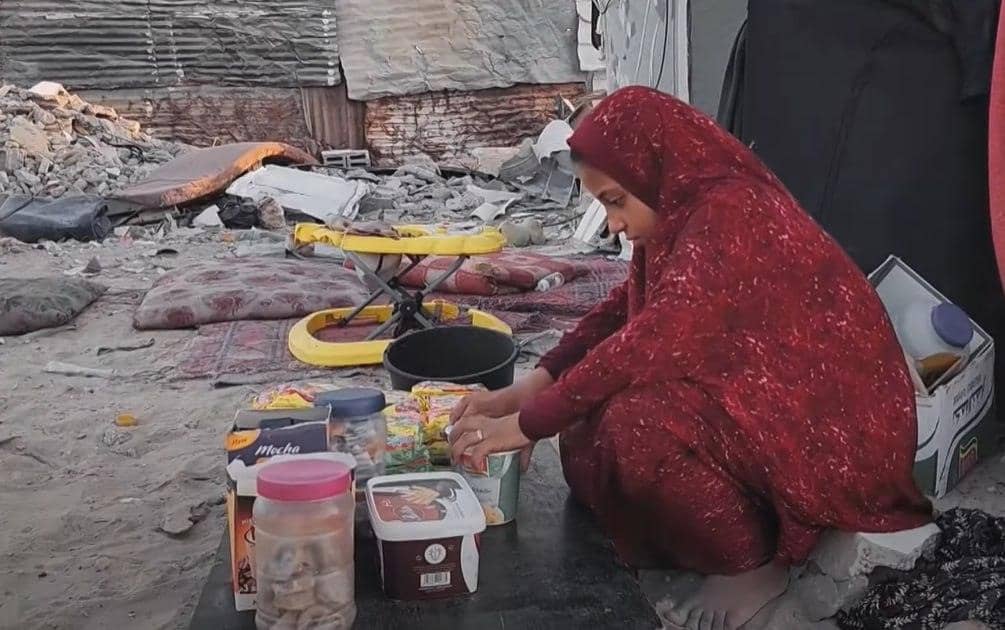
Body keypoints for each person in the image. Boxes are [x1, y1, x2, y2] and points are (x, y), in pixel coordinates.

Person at [448, 86, 933, 630]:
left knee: (637, 426)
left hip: (835, 429)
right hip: (769, 395)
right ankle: (702, 531)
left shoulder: (732, 215)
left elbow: (648, 342)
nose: (611, 223)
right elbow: (619, 316)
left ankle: (751, 567)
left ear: (652, 166)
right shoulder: (678, 210)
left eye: (614, 200)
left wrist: (528, 423)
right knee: (587, 428)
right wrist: (529, 390)